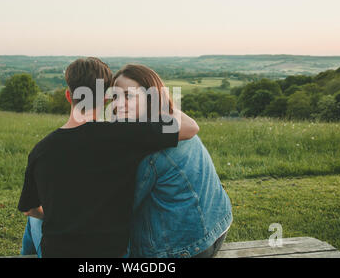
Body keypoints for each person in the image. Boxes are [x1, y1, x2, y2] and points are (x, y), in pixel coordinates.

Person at [18, 57, 199, 257]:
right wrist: (158, 97)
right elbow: (191, 127)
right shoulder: (126, 135)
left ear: (68, 96)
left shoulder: (41, 151)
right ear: (106, 98)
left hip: (59, 252)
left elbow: (29, 209)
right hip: (111, 255)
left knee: (33, 221)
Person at [111, 64, 232, 258]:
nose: (118, 104)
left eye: (129, 96)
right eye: (115, 96)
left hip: (186, 249)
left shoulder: (149, 148)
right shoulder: (171, 125)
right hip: (218, 225)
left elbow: (122, 208)